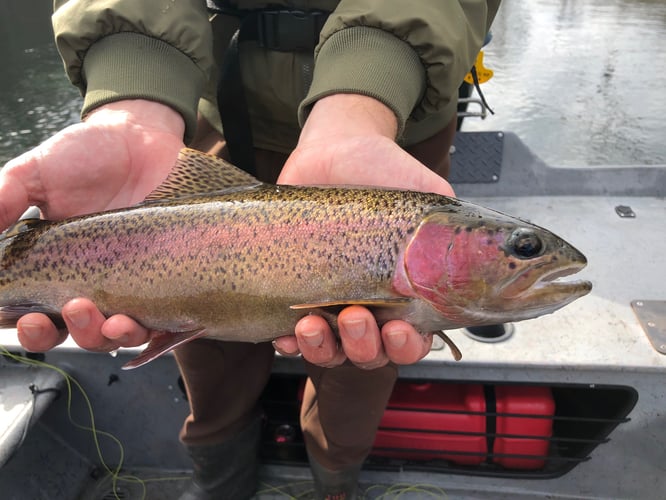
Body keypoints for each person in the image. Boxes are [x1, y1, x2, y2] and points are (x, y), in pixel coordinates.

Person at [0, 1, 500, 498]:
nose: (523, 258)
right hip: (220, 105)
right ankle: (221, 477)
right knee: (205, 347)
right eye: (522, 249)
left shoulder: (417, 213)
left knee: (364, 358)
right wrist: (133, 94)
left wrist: (365, 99)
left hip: (393, 124)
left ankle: (335, 477)